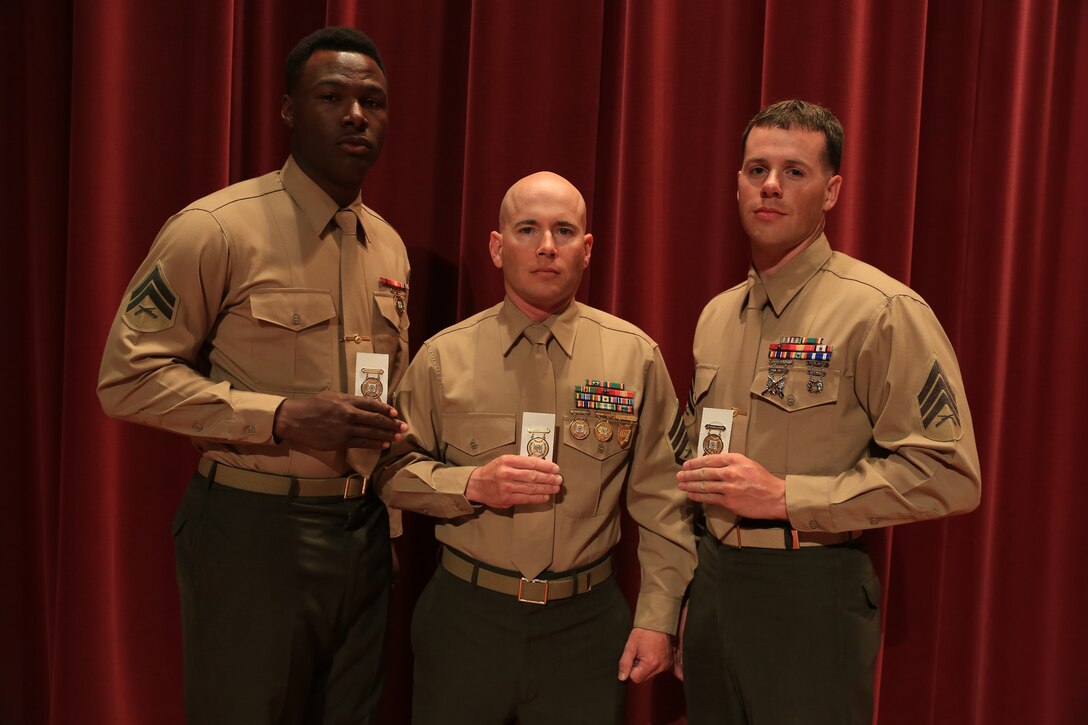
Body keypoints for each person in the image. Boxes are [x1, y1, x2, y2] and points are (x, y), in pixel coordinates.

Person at [97, 26, 410, 724]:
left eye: (373, 100)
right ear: (290, 109)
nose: (357, 115)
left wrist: (385, 524)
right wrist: (279, 416)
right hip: (253, 527)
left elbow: (383, 399)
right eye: (332, 96)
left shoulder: (386, 244)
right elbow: (125, 377)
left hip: (360, 531)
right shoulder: (216, 228)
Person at [676, 99, 982, 724]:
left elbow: (949, 475)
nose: (769, 185)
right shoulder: (715, 316)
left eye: (794, 171)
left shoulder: (882, 311)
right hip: (714, 587)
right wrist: (691, 590)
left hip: (810, 593)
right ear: (736, 183)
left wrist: (788, 496)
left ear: (832, 190)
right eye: (756, 168)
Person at [377, 171, 696, 725]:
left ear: (587, 249)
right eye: (528, 229)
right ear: (498, 248)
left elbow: (664, 500)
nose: (547, 246)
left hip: (585, 628)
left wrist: (658, 617)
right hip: (466, 621)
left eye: (564, 230)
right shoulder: (440, 359)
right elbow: (389, 470)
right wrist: (471, 484)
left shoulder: (634, 358)